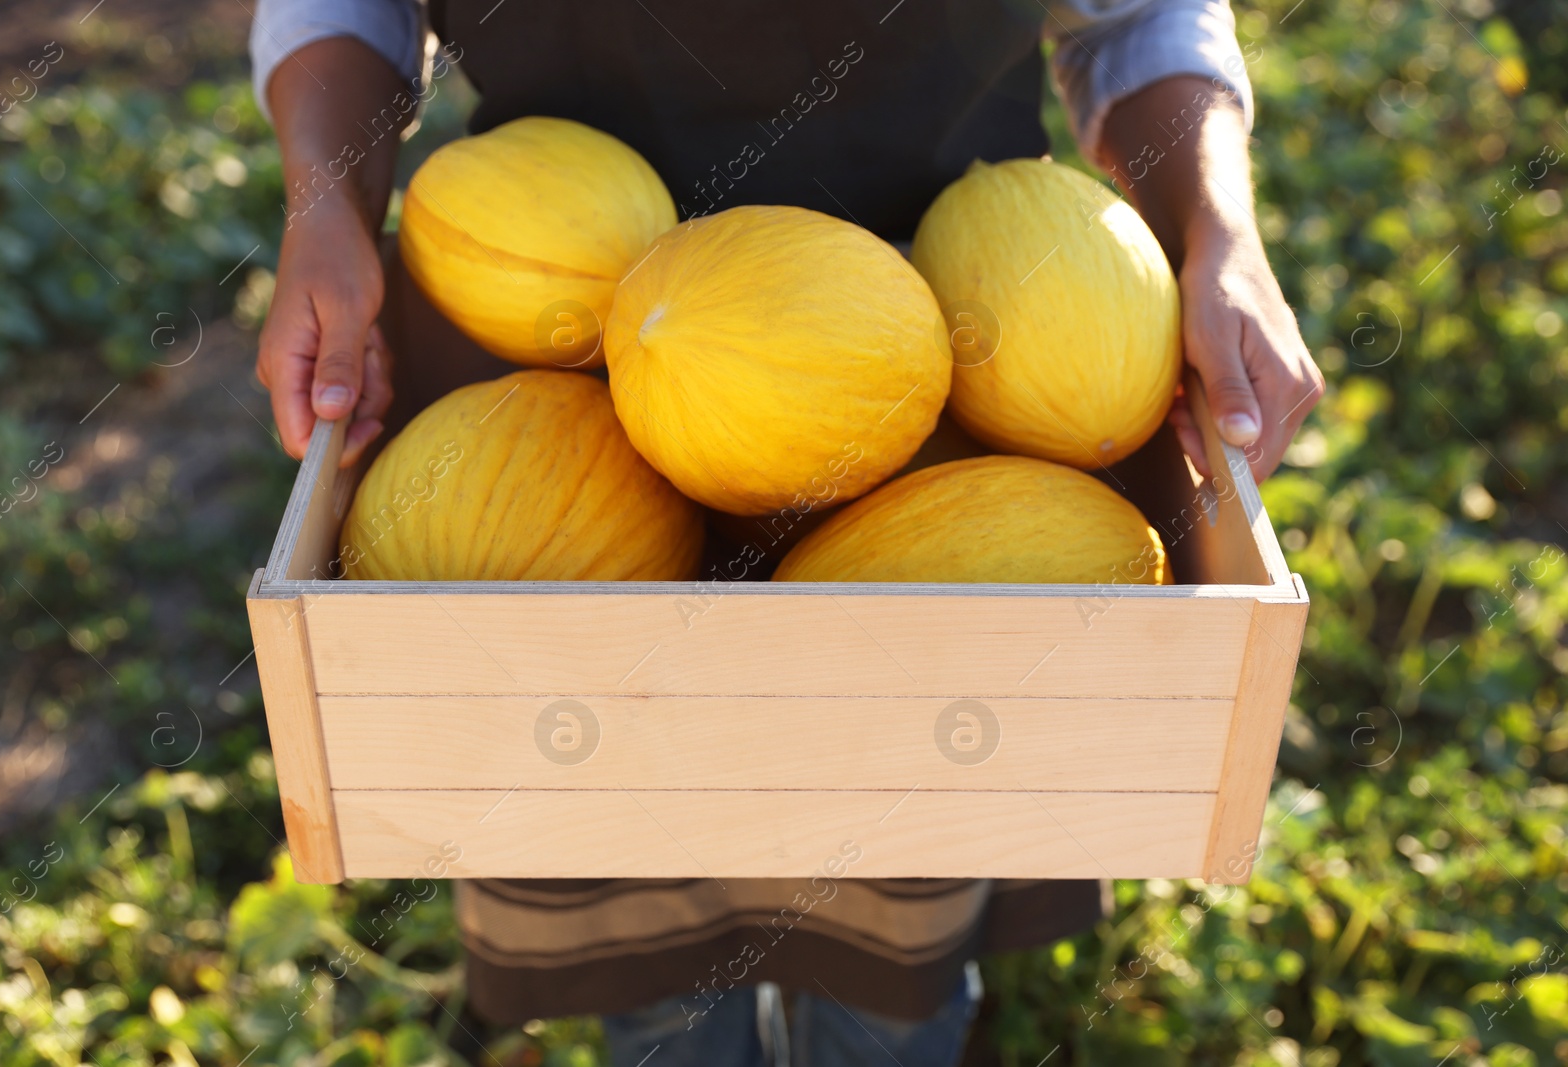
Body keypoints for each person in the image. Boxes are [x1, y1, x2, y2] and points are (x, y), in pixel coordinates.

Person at [249, 2, 1324, 1064]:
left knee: (905, 893)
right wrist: (323, 205)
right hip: (559, 354)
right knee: (630, 901)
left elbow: (1135, 17)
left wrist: (1219, 232)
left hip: (952, 312)